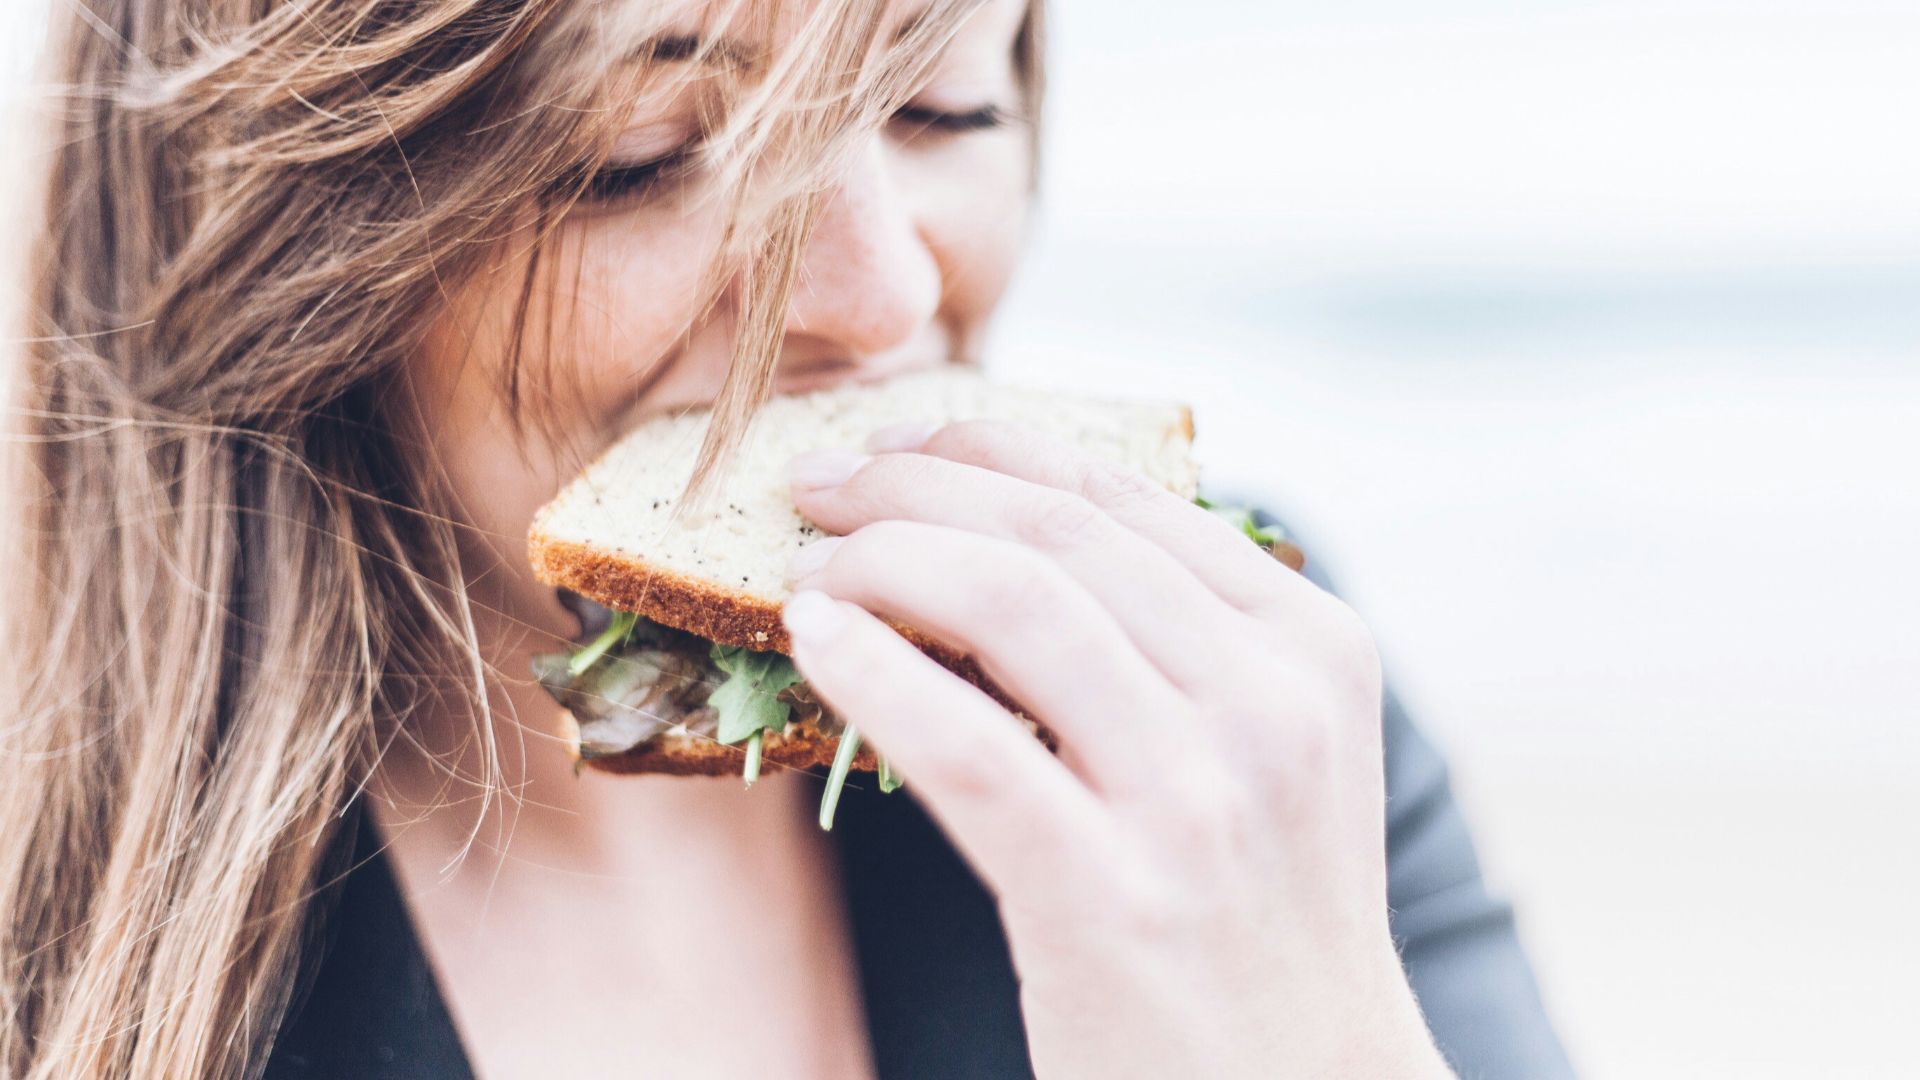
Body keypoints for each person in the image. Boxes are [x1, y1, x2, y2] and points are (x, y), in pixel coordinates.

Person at [0, 1, 1574, 1077]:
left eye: (946, 102)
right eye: (647, 155)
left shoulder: (1223, 712)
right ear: (289, 234)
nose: (888, 294)